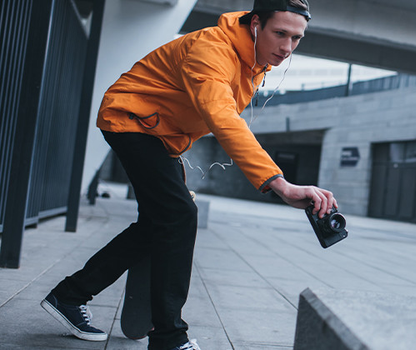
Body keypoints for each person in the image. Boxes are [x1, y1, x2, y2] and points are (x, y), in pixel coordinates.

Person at [40, 1, 335, 349]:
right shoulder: (211, 50)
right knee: (179, 216)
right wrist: (279, 183)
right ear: (256, 24)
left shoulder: (253, 62)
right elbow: (222, 118)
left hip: (160, 136)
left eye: (297, 38)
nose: (287, 48)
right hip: (131, 120)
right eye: (280, 34)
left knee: (160, 222)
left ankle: (69, 296)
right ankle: (168, 337)